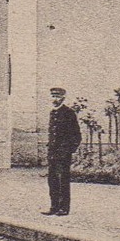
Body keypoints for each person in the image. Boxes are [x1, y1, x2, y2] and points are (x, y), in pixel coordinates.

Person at [43, 86, 81, 216]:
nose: (55, 99)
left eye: (58, 96)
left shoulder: (68, 113)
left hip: (63, 154)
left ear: (63, 98)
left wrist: (68, 151)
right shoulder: (53, 112)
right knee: (52, 180)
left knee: (63, 180)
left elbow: (76, 135)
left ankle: (64, 208)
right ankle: (54, 206)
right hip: (53, 153)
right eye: (53, 96)